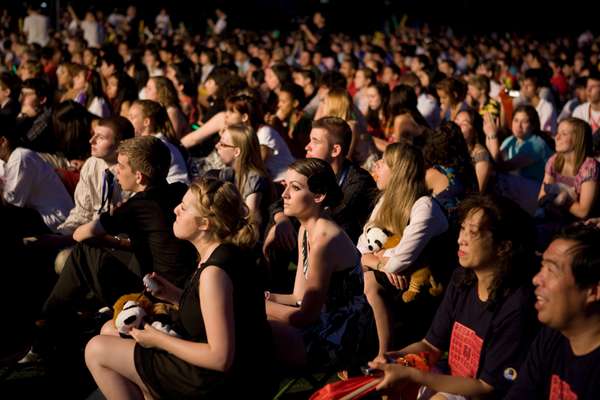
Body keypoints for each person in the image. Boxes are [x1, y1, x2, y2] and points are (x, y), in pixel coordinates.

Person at [85, 176, 275, 399]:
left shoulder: (215, 272)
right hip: (239, 371)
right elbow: (219, 312)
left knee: (96, 349)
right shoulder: (225, 252)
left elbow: (220, 358)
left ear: (204, 224)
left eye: (184, 208)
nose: (175, 210)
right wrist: (175, 295)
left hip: (220, 382)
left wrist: (158, 340)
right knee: (110, 329)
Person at [370, 194, 539, 399]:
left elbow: (486, 388)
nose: (461, 239)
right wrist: (393, 358)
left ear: (504, 246)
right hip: (453, 379)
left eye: (473, 232)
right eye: (462, 228)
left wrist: (413, 375)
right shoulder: (463, 279)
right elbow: (431, 346)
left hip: (480, 394)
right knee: (392, 386)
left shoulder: (516, 306)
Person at [41, 136, 197, 325]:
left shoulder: (138, 206)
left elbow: (79, 234)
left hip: (156, 295)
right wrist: (112, 241)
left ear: (139, 176)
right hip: (181, 289)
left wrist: (103, 231)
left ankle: (46, 325)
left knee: (85, 251)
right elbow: (157, 244)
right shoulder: (179, 191)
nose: (116, 172)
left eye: (121, 167)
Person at [266, 158, 371, 369]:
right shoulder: (305, 229)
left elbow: (305, 316)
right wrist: (268, 297)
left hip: (341, 338)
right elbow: (298, 297)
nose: (284, 195)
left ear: (318, 196)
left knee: (250, 330)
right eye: (285, 186)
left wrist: (258, 306)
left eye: (295, 188)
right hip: (322, 325)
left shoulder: (324, 238)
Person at [359, 142, 449, 359]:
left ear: (399, 171)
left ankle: (383, 355)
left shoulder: (425, 207)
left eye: (383, 162)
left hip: (425, 291)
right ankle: (358, 349)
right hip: (395, 281)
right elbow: (361, 246)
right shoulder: (386, 200)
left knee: (369, 281)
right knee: (360, 276)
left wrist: (380, 259)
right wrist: (379, 261)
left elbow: (399, 262)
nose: (376, 166)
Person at [506, 225, 600, 399]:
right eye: (542, 267)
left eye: (551, 270)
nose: (536, 279)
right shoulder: (551, 336)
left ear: (593, 291)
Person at [57, 116, 135, 235]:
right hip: (91, 231)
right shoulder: (91, 164)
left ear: (120, 144)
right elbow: (82, 212)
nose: (91, 141)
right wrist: (64, 232)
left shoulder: (133, 172)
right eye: (94, 134)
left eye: (101, 138)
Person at [0, 118, 73, 235]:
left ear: (3, 141)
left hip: (56, 222)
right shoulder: (6, 161)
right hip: (39, 215)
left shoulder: (21, 157)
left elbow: (10, 203)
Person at [215, 123, 273, 235]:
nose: (217, 146)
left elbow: (250, 218)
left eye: (222, 144)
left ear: (237, 152)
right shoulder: (229, 173)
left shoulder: (254, 177)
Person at [538, 117, 599, 221]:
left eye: (564, 134)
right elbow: (541, 198)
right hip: (557, 218)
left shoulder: (589, 166)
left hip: (584, 225)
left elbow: (583, 212)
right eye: (557, 132)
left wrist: (563, 198)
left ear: (578, 139)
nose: (556, 137)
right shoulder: (554, 160)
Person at [127, 100, 190, 185]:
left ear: (146, 122)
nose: (128, 120)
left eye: (132, 117)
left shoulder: (155, 146)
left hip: (174, 193)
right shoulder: (151, 143)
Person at [455, 109, 494, 192]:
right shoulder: (450, 147)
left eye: (464, 123)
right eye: (456, 120)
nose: (457, 125)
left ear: (474, 131)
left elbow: (477, 191)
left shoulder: (481, 155)